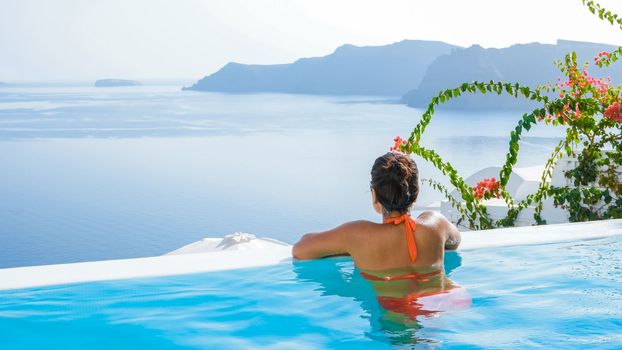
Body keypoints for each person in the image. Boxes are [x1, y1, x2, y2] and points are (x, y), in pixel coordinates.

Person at [292, 151, 470, 320]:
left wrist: (348, 249)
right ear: (415, 195)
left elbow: (300, 250)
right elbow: (455, 241)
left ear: (374, 196)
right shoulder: (436, 224)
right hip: (440, 303)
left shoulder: (358, 235)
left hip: (394, 312)